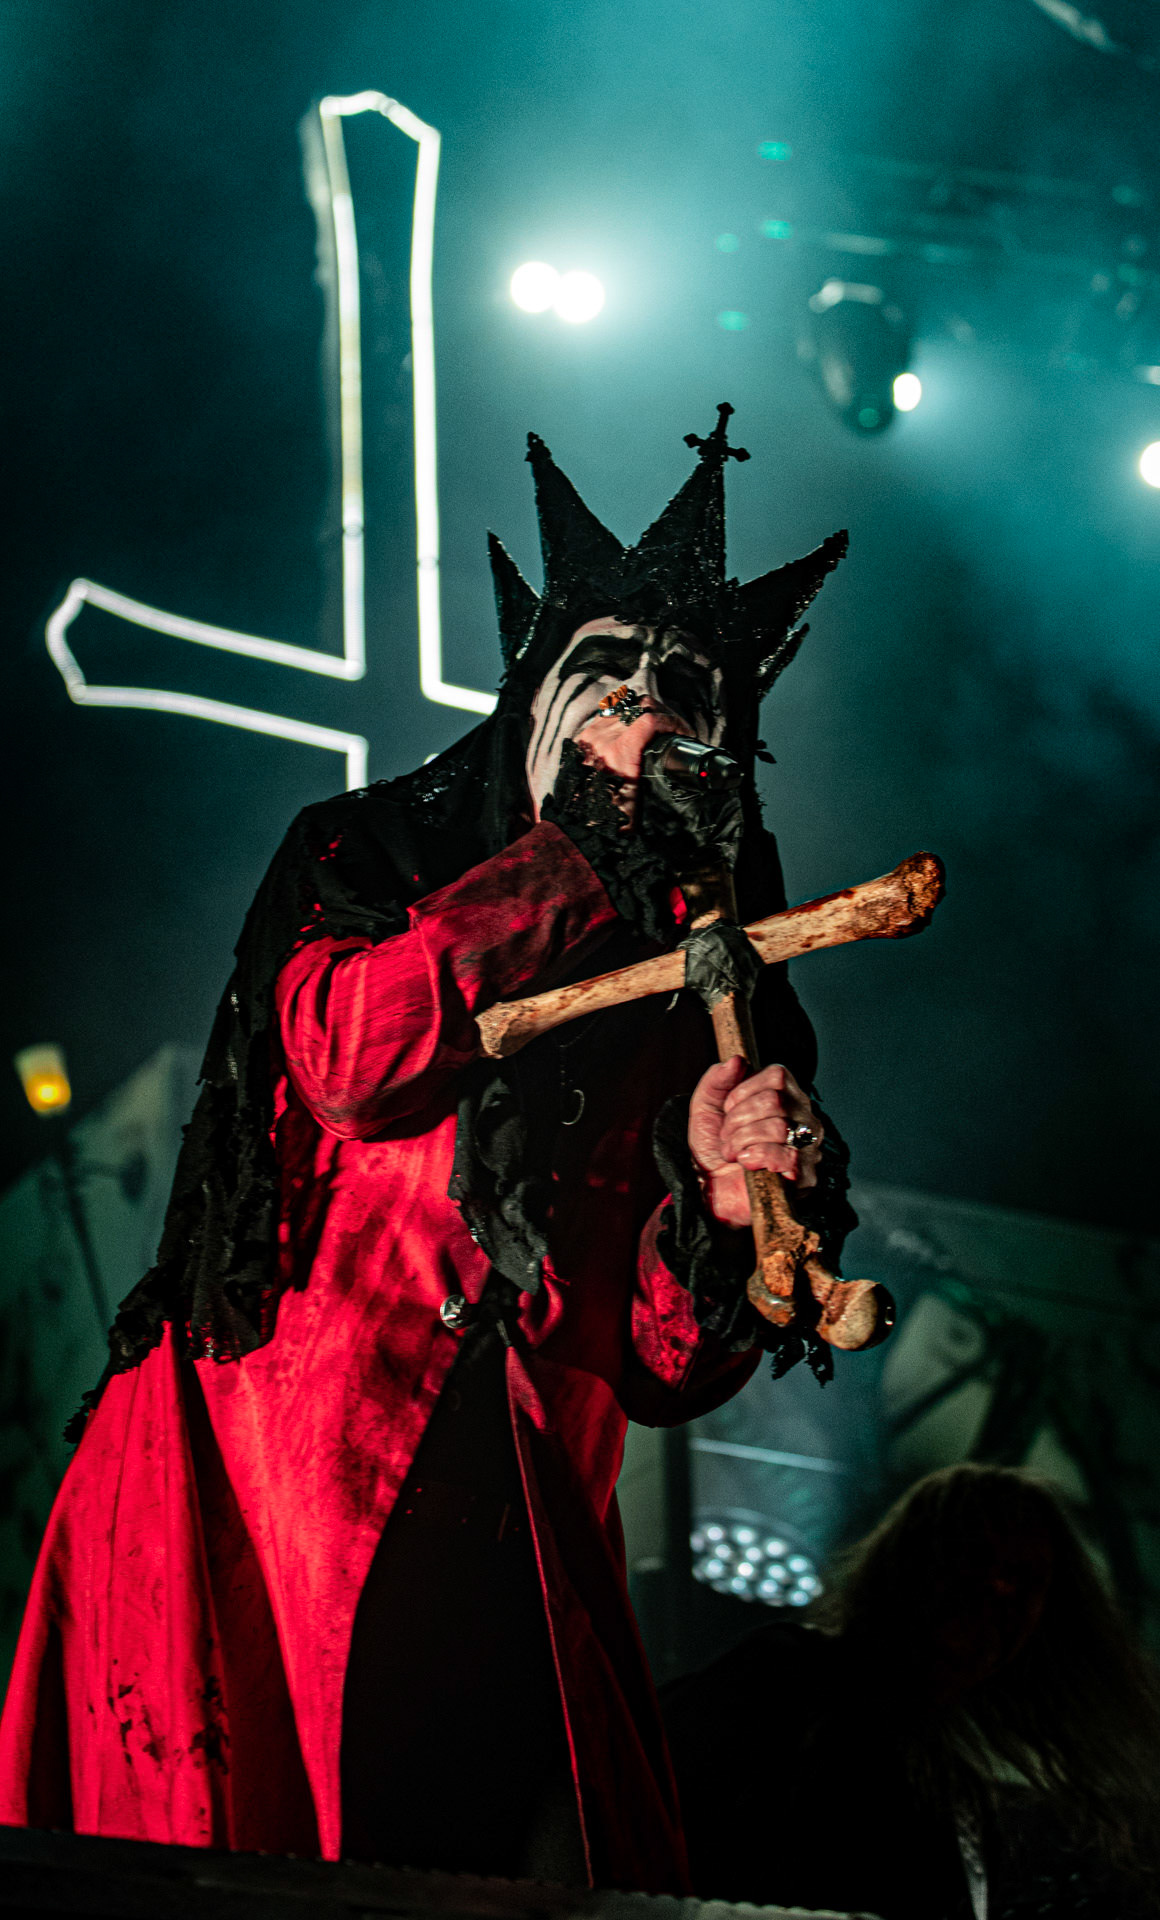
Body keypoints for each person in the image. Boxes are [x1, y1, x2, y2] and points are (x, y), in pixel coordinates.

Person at [0, 407, 857, 1891]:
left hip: (508, 1535)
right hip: (265, 1495)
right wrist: (581, 861)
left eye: (692, 701)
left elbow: (662, 1368)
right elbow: (352, 1061)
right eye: (618, 687)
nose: (659, 725)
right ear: (536, 704)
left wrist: (724, 1204)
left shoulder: (712, 980)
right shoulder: (368, 859)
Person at [662, 1463, 1160, 1918]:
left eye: (1024, 1579)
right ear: (910, 1566)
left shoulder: (961, 1793)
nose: (995, 1589)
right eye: (973, 1558)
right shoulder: (788, 1675)